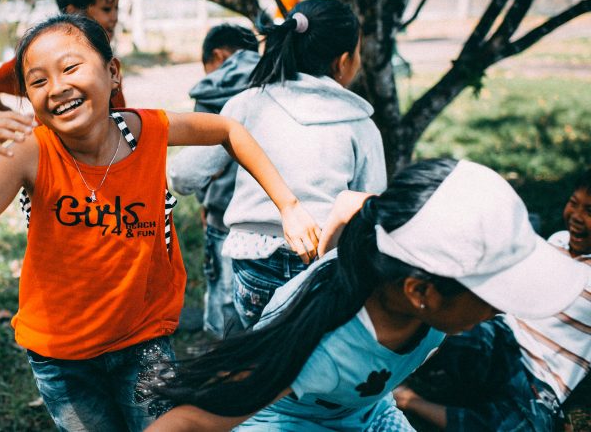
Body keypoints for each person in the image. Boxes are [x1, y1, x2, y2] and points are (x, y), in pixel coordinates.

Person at [0, 14, 320, 431]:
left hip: (143, 340)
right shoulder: (31, 152)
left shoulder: (146, 131)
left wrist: (289, 205)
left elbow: (227, 129)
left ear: (112, 72)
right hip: (62, 358)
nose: (56, 88)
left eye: (70, 68)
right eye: (38, 81)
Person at [147, 158, 591, 431]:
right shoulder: (318, 347)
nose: (503, 308)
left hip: (366, 410)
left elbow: (351, 204)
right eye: (493, 292)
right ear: (421, 292)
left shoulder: (394, 236)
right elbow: (190, 421)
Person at [171, 0, 386, 330]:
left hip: (253, 266)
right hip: (321, 265)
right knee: (305, 351)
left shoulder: (247, 104)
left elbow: (183, 174)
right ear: (343, 61)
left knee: (258, 349)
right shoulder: (360, 125)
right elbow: (370, 205)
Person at [392, 168, 591, 431]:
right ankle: (397, 376)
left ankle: (409, 400)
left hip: (543, 379)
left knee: (528, 426)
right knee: (453, 330)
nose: (576, 216)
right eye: (574, 203)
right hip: (503, 337)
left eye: (589, 211)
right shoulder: (557, 241)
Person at [169, 23, 259, 338]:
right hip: (271, 219)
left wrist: (204, 202)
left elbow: (197, 167)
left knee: (224, 302)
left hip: (223, 212)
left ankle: (220, 351)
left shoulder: (214, 89)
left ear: (218, 56)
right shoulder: (275, 79)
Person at [0, 0, 126, 113]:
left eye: (116, 8)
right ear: (74, 13)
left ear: (112, 70)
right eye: (106, 9)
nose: (114, 17)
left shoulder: (105, 58)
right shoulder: (43, 55)